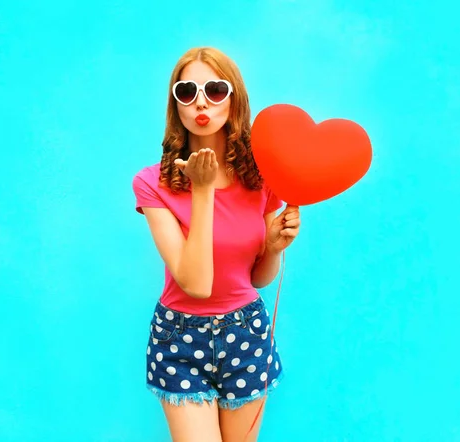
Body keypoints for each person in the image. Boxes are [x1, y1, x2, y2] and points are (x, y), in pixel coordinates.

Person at [132, 46, 301, 442]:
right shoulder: (151, 183)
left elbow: (257, 280)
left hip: (246, 332)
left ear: (234, 99)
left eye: (215, 89)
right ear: (176, 106)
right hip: (179, 338)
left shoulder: (261, 177)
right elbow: (196, 284)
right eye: (187, 91)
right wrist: (203, 190)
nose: (201, 102)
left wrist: (273, 247)